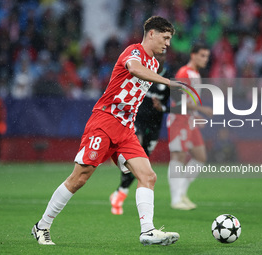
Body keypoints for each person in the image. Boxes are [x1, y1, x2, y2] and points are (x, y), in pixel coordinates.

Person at [31, 16, 181, 246]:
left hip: (126, 128)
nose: (168, 44)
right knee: (79, 178)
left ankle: (148, 231)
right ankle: (42, 226)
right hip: (105, 121)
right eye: (166, 37)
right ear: (151, 33)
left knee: (148, 176)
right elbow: (134, 69)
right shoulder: (134, 52)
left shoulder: (154, 64)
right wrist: (168, 82)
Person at [110, 50, 171, 215]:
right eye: (156, 57)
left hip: (155, 126)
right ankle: (122, 176)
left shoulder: (168, 80)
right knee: (135, 156)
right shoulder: (141, 72)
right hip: (137, 122)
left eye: (162, 57)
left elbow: (178, 106)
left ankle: (121, 190)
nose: (159, 60)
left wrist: (163, 108)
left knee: (143, 163)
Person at [167, 43, 212, 210]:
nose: (205, 59)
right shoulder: (184, 73)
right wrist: (202, 109)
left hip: (189, 119)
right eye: (202, 55)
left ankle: (182, 193)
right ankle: (175, 199)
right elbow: (178, 100)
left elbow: (189, 101)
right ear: (193, 55)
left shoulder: (195, 74)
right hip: (179, 120)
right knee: (178, 156)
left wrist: (195, 114)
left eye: (207, 56)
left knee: (200, 157)